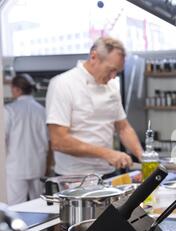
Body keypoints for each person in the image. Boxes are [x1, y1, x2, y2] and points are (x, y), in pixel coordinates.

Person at [46, 37, 143, 177]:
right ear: (93, 57)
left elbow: (123, 127)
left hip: (108, 173)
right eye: (111, 70)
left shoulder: (112, 87)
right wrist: (106, 153)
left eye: (117, 72)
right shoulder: (63, 84)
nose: (113, 76)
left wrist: (144, 157)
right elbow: (59, 141)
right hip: (74, 177)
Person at [4, 74, 49, 205]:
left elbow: (3, 140)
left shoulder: (9, 110)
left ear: (16, 89)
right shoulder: (42, 110)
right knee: (38, 205)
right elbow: (49, 142)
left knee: (15, 206)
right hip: (38, 166)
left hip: (15, 167)